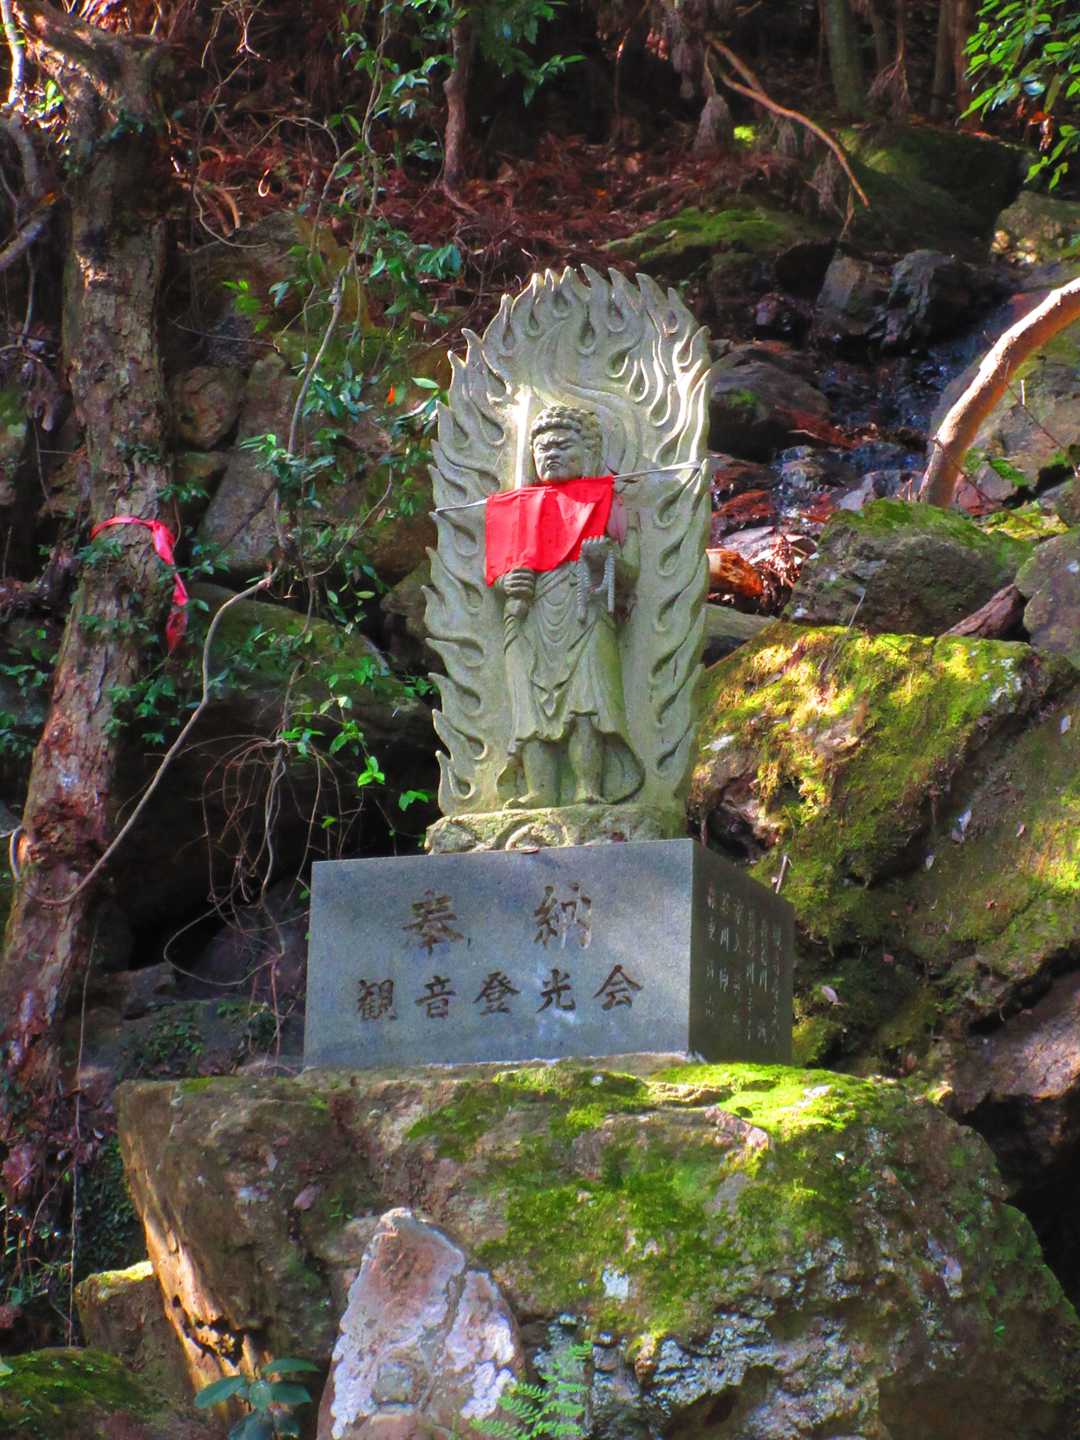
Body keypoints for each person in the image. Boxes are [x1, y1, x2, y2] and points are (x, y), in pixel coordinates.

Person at [491, 404, 644, 808]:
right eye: (542, 449)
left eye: (562, 446)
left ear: (589, 452)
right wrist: (509, 582)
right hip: (531, 615)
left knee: (586, 705)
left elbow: (631, 573)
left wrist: (605, 558)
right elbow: (501, 569)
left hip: (586, 609)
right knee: (530, 711)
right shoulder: (520, 509)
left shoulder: (611, 504)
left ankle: (588, 787)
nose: (551, 455)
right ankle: (539, 790)